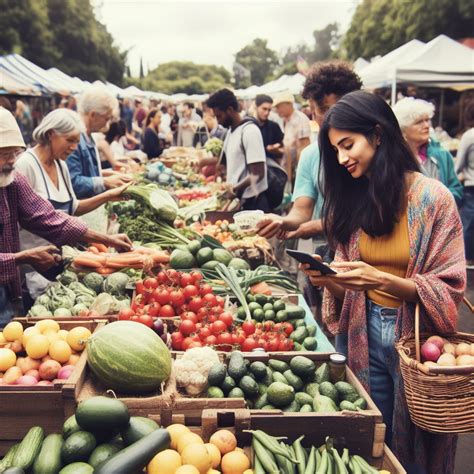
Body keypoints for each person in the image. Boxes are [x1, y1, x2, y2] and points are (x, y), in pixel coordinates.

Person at [302, 91, 465, 473]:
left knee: (417, 438)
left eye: (348, 145)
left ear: (377, 134)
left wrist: (381, 280)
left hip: (418, 339)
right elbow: (350, 288)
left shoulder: (433, 199)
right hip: (363, 330)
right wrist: (328, 279)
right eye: (336, 150)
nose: (342, 159)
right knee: (372, 435)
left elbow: (451, 286)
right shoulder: (353, 198)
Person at [0, 107, 132, 326]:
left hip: (8, 286)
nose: (13, 161)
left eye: (15, 153)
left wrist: (108, 240)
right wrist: (23, 257)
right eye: (5, 154)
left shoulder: (12, 180)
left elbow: (47, 217)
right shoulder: (23, 168)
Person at [258, 60, 363, 241]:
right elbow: (302, 209)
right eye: (314, 111)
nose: (318, 117)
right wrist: (281, 221)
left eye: (325, 109)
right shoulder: (311, 155)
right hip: (327, 253)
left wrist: (319, 225)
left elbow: (373, 210)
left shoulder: (373, 151)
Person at [392, 97, 463, 206]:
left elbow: (457, 189)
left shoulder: (442, 154)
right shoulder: (394, 158)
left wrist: (441, 200)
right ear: (404, 129)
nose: (426, 125)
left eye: (427, 120)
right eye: (419, 122)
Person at [206, 89, 268, 211]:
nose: (217, 121)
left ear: (229, 110)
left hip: (253, 203)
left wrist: (234, 189)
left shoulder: (250, 132)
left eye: (219, 116)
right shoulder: (230, 131)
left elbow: (257, 173)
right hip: (239, 202)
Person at [67, 85, 131, 199]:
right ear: (93, 115)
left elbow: (88, 173)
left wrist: (110, 175)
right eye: (106, 118)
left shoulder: (88, 136)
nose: (108, 123)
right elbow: (73, 182)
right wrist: (105, 181)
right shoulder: (74, 138)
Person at [274, 90, 311, 183]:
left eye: (279, 107)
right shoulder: (287, 120)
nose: (277, 110)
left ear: (288, 104)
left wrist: (301, 175)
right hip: (289, 169)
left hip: (298, 171)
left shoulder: (300, 119)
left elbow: (303, 148)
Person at [456, 102, 474, 269]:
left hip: (471, 185)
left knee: (468, 223)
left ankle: (468, 260)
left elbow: (459, 164)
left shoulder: (469, 136)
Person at [253, 94, 284, 161]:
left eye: (269, 110)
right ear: (256, 107)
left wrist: (276, 150)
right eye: (264, 109)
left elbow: (283, 149)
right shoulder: (248, 126)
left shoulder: (274, 126)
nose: (267, 113)